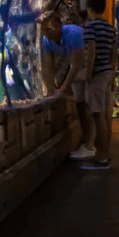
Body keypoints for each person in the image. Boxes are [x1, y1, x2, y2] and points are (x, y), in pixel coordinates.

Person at [40, 10, 94, 158]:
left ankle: (91, 145)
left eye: (48, 29)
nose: (46, 33)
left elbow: (76, 66)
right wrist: (50, 91)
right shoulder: (47, 40)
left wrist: (63, 89)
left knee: (90, 106)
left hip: (89, 63)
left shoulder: (74, 34)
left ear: (58, 26)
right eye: (43, 29)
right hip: (75, 65)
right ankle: (87, 142)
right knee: (80, 105)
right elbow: (47, 67)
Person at [80, 0, 118, 170]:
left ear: (89, 9)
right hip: (107, 72)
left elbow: (91, 50)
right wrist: (113, 74)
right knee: (105, 116)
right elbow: (114, 54)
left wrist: (88, 73)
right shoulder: (110, 28)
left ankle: (101, 158)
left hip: (97, 74)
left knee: (97, 115)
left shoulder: (90, 26)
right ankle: (104, 154)